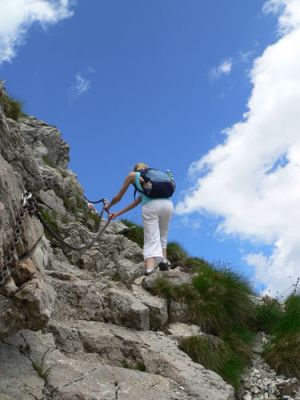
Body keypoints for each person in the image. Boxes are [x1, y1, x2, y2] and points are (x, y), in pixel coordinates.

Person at [105, 162, 174, 275]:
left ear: (136, 169)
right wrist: (117, 213)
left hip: (151, 207)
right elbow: (136, 202)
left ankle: (149, 269)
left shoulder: (133, 175)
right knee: (163, 235)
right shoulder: (152, 181)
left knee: (151, 237)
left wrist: (109, 205)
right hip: (168, 205)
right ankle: (164, 262)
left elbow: (118, 197)